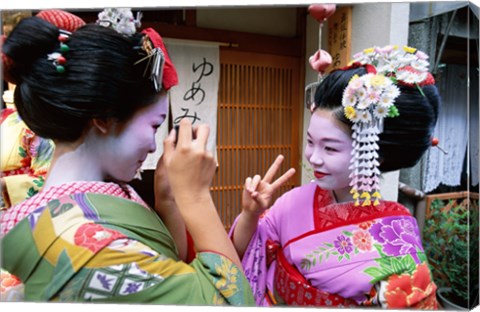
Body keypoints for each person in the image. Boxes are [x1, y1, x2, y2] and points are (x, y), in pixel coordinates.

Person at [0, 8, 254, 305]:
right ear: (104, 119)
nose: (154, 144)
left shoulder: (98, 194)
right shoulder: (83, 249)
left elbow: (168, 265)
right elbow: (229, 303)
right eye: (154, 125)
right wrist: (196, 196)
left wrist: (168, 199)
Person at [231, 45, 441, 308]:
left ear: (374, 153)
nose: (314, 157)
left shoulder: (398, 235)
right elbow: (240, 259)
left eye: (330, 148)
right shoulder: (293, 203)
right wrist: (250, 215)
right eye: (310, 141)